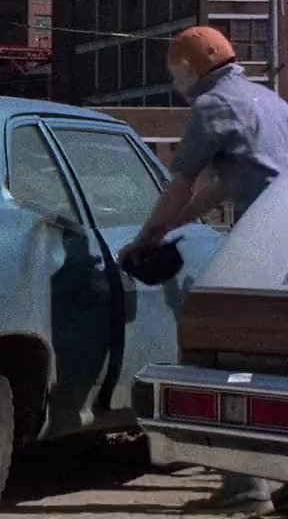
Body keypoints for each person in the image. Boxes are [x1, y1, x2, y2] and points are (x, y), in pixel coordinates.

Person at [120, 25, 288, 517]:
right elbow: (226, 185)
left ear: (188, 69)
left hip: (266, 246)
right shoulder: (271, 102)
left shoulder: (211, 107)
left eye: (176, 72)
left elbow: (181, 185)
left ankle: (245, 490)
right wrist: (179, 224)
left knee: (225, 359)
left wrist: (146, 236)